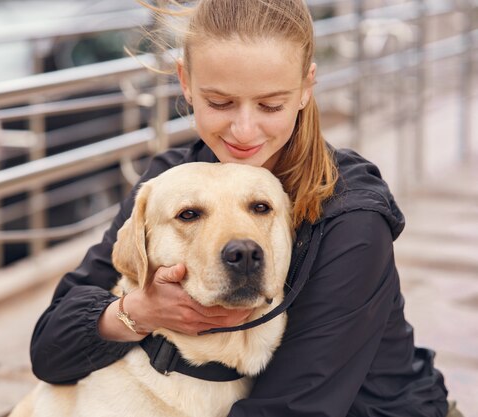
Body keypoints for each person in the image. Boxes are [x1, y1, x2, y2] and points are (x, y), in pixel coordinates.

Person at [29, 0, 460, 415]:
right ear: (185, 82)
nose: (244, 130)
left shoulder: (351, 216)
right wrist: (138, 311)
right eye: (220, 103)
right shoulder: (172, 178)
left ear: (306, 88)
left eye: (271, 105)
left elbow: (292, 409)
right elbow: (50, 351)